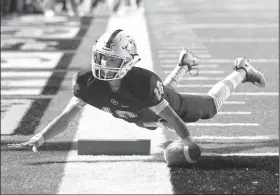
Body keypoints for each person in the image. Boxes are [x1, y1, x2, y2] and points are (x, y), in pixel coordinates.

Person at [8, 29, 266, 154]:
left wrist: (185, 140)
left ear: (128, 62)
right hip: (140, 110)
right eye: (101, 57)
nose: (103, 64)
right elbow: (66, 117)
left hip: (150, 104)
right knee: (149, 116)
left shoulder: (142, 82)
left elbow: (174, 120)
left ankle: (241, 70)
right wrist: (39, 138)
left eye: (111, 60)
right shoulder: (87, 81)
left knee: (208, 108)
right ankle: (184, 64)